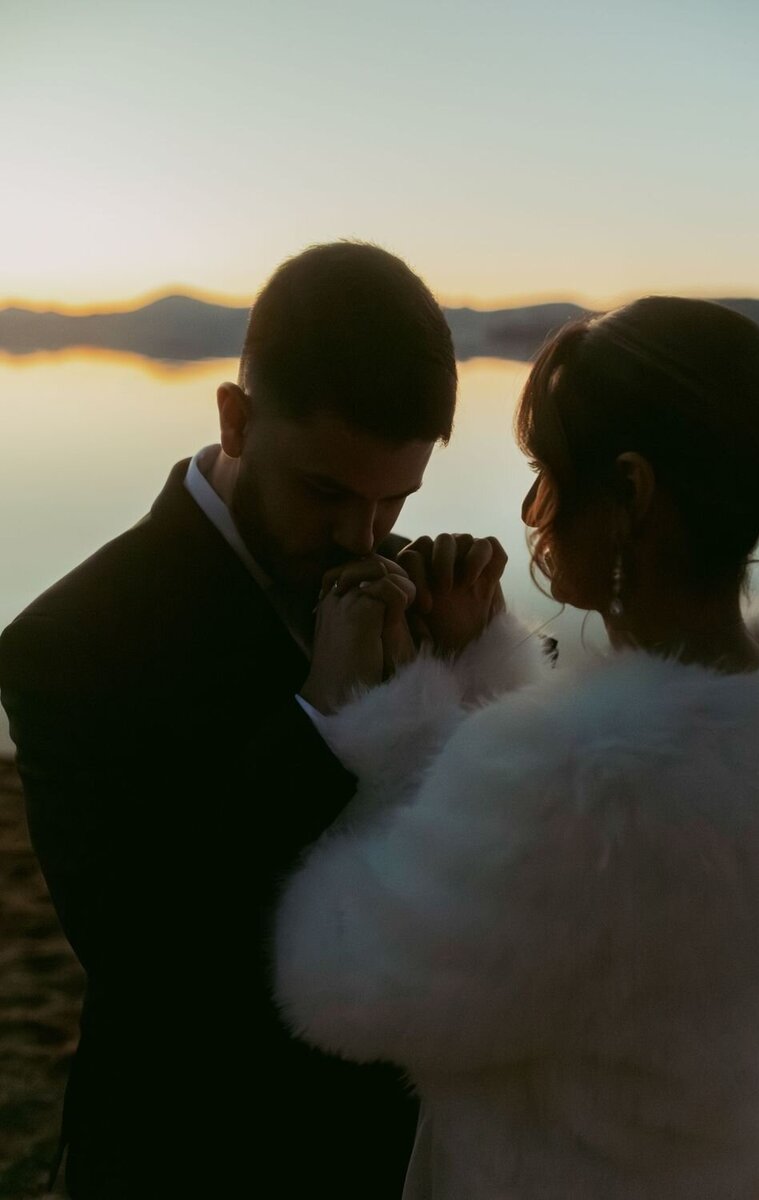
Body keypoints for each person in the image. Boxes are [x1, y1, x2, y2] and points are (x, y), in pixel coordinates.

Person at [272, 296, 759, 1199]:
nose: (532, 509)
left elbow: (338, 975)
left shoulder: (584, 790)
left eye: (548, 473)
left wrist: (360, 712)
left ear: (630, 493)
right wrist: (480, 674)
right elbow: (584, 890)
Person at [0, 240, 459, 1198]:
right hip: (190, 1154)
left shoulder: (410, 584)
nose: (362, 539)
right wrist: (317, 720)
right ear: (236, 418)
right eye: (326, 492)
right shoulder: (66, 643)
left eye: (396, 500)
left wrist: (476, 665)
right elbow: (147, 956)